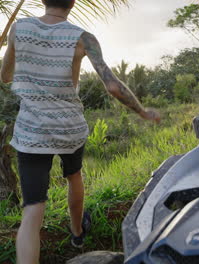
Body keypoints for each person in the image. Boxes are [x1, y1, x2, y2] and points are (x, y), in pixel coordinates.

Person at [0, 0, 160, 263]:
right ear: (73, 2)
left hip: (32, 131)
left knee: (32, 211)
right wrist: (143, 112)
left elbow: (5, 76)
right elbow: (113, 86)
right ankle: (77, 233)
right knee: (73, 176)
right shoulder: (83, 38)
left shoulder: (19, 28)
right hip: (69, 128)